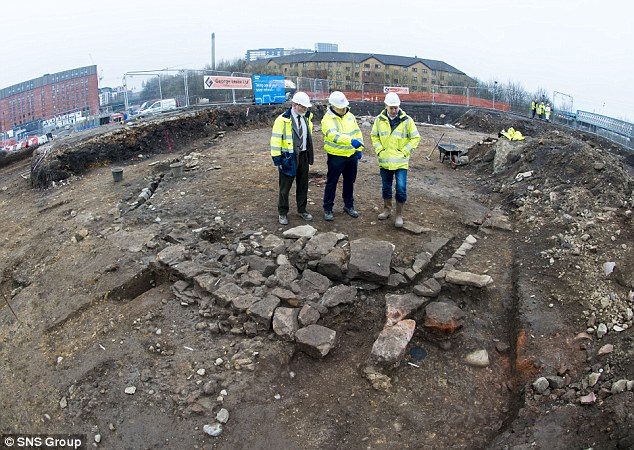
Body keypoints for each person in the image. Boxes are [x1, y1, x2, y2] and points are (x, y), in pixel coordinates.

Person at [371, 92, 421, 228]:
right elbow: (374, 136)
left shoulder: (407, 120)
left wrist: (405, 151)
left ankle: (399, 214)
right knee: (386, 187)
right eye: (391, 107)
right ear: (386, 106)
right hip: (385, 161)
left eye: (396, 108)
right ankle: (387, 209)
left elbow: (415, 138)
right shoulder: (379, 120)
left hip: (401, 162)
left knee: (401, 188)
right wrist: (379, 150)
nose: (394, 110)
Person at [270, 91, 314, 225]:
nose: (305, 109)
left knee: (303, 185)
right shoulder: (282, 120)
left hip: (303, 156)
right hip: (288, 158)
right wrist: (277, 159)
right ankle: (282, 212)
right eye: (303, 107)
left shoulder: (306, 118)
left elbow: (307, 137)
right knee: (285, 187)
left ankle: (302, 210)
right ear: (294, 105)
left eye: (306, 107)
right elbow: (276, 140)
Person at [321, 91, 364, 221]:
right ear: (333, 106)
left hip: (351, 155)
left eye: (344, 106)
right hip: (336, 156)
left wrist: (359, 148)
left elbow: (357, 133)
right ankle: (328, 208)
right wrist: (350, 141)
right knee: (332, 182)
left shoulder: (350, 116)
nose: (343, 109)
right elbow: (333, 135)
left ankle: (348, 206)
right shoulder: (327, 119)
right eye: (340, 107)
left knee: (349, 181)